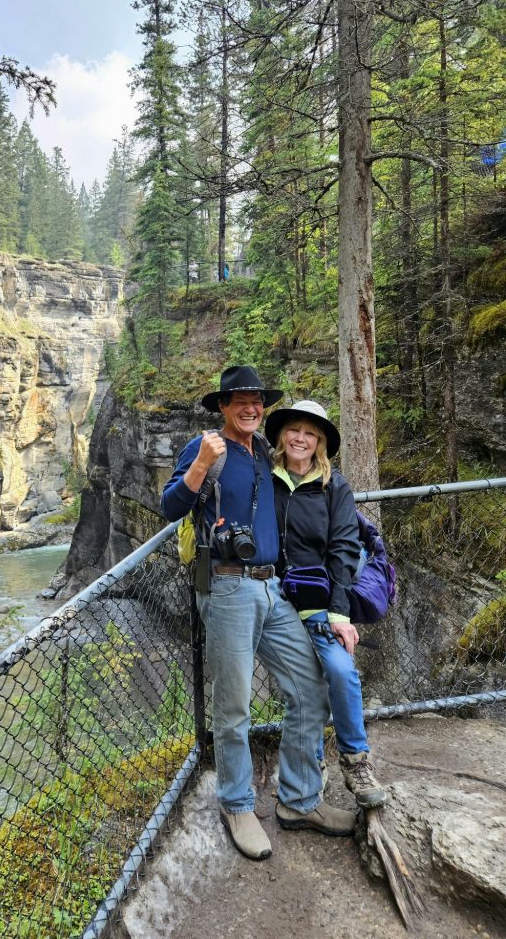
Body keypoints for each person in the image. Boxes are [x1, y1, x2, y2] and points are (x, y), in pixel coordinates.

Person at [161, 367, 357, 861]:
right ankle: (237, 803)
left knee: (311, 687)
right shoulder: (207, 447)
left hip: (273, 589)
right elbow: (169, 505)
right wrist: (200, 465)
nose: (251, 408)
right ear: (223, 406)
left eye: (257, 401)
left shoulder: (262, 453)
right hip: (227, 588)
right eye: (240, 401)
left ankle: (298, 800)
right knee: (234, 707)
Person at [265, 399, 387, 809]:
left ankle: (355, 760)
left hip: (319, 602)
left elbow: (343, 551)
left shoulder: (335, 486)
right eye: (294, 430)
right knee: (305, 685)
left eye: (310, 433)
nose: (301, 438)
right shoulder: (267, 478)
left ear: (319, 443)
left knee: (340, 670)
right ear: (282, 435)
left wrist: (339, 612)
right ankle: (312, 761)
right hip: (275, 598)